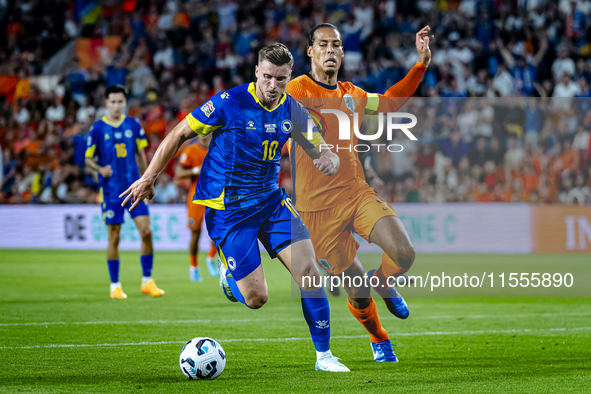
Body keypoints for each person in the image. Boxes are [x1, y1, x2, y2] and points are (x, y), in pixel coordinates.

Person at [120, 44, 349, 372]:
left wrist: (329, 159)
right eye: (267, 77)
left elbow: (324, 151)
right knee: (257, 299)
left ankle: (324, 357)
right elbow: (180, 133)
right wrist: (149, 177)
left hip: (271, 202)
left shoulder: (294, 111)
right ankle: (231, 279)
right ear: (256, 72)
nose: (273, 85)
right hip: (229, 210)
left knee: (310, 274)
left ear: (289, 78)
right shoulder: (229, 103)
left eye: (281, 80)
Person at [285, 23, 432, 362]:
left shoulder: (351, 95)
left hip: (356, 194)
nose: (331, 51)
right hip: (315, 211)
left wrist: (421, 63)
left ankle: (384, 280)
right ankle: (379, 337)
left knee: (404, 253)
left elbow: (391, 104)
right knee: (357, 288)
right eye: (323, 45)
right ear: (310, 52)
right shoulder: (294, 89)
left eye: (336, 45)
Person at [85, 85, 165, 299]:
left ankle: (147, 281)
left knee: (146, 232)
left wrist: (148, 181)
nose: (116, 105)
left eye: (120, 101)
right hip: (111, 191)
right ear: (106, 103)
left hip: (134, 187)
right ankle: (115, 285)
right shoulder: (98, 128)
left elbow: (141, 155)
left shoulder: (133, 124)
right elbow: (88, 159)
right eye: (112, 102)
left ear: (125, 103)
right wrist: (99, 169)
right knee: (114, 237)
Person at [174, 135, 219, 282]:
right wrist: (195, 170)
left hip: (214, 196)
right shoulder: (191, 150)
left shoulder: (217, 148)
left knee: (217, 231)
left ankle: (210, 257)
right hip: (196, 198)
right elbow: (179, 173)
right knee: (195, 234)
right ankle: (193, 267)